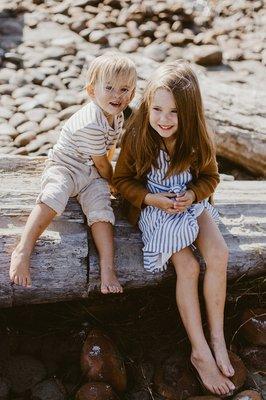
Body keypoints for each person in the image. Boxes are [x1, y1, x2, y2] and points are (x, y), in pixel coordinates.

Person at [113, 60, 235, 395]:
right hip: (154, 207)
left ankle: (217, 338)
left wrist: (194, 193)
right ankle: (199, 351)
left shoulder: (196, 137)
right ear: (148, 105)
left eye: (174, 113)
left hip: (189, 203)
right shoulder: (138, 133)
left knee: (219, 253)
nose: (164, 120)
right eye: (157, 109)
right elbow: (121, 181)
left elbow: (211, 178)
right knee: (189, 264)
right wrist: (151, 199)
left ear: (190, 113)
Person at [9, 52, 137, 294]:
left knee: (101, 212)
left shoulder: (116, 115)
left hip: (89, 172)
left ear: (132, 93)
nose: (117, 95)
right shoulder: (90, 122)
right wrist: (115, 183)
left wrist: (103, 182)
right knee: (53, 196)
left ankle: (107, 267)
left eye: (124, 89)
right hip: (66, 166)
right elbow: (102, 164)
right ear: (91, 91)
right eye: (109, 87)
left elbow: (107, 151)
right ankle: (23, 249)